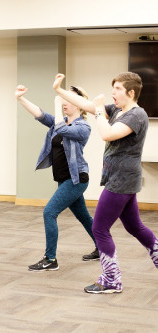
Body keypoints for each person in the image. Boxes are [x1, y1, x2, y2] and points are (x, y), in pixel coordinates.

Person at [53, 72, 158, 293]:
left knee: (99, 228)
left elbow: (107, 134)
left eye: (118, 89)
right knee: (134, 226)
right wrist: (59, 91)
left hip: (122, 180)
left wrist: (100, 110)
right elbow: (87, 105)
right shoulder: (119, 111)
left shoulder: (136, 115)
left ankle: (111, 280)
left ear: (130, 93)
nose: (113, 93)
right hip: (121, 179)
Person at [15, 83, 98, 272]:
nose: (64, 103)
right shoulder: (60, 122)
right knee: (84, 216)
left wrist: (56, 99)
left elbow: (61, 128)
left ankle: (50, 258)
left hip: (76, 179)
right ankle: (103, 248)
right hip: (63, 178)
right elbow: (39, 114)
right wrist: (20, 98)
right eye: (63, 100)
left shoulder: (83, 127)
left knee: (49, 212)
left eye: (69, 99)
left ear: (79, 104)